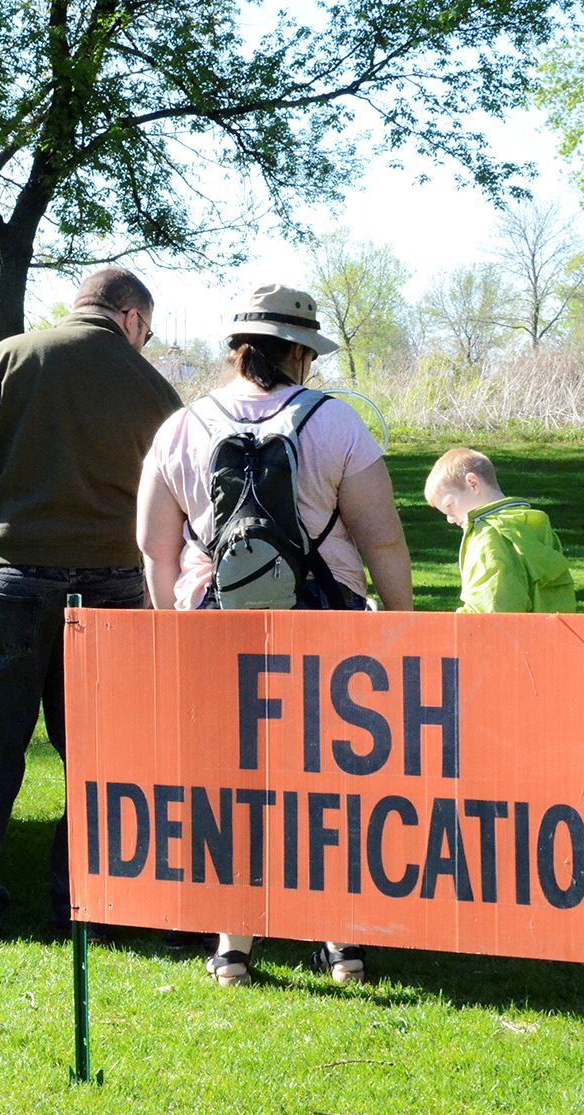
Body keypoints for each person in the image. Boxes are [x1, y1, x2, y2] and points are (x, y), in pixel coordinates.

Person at [136, 282, 414, 985]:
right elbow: (383, 542)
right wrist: (406, 630)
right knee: (330, 782)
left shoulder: (181, 428)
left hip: (214, 629)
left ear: (237, 347)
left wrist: (172, 632)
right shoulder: (337, 424)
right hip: (326, 623)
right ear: (299, 352)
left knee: (235, 784)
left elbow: (154, 549)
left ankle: (234, 947)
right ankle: (340, 940)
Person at [0, 268, 182, 941]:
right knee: (101, 756)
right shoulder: (156, 389)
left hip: (10, 581)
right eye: (146, 331)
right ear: (130, 318)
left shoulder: (12, 358)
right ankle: (89, 902)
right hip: (116, 588)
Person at [425, 448, 577, 613]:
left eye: (449, 505)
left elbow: (490, 606)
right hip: (551, 633)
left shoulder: (488, 535)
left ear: (473, 484)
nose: (449, 518)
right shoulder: (532, 524)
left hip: (504, 635)